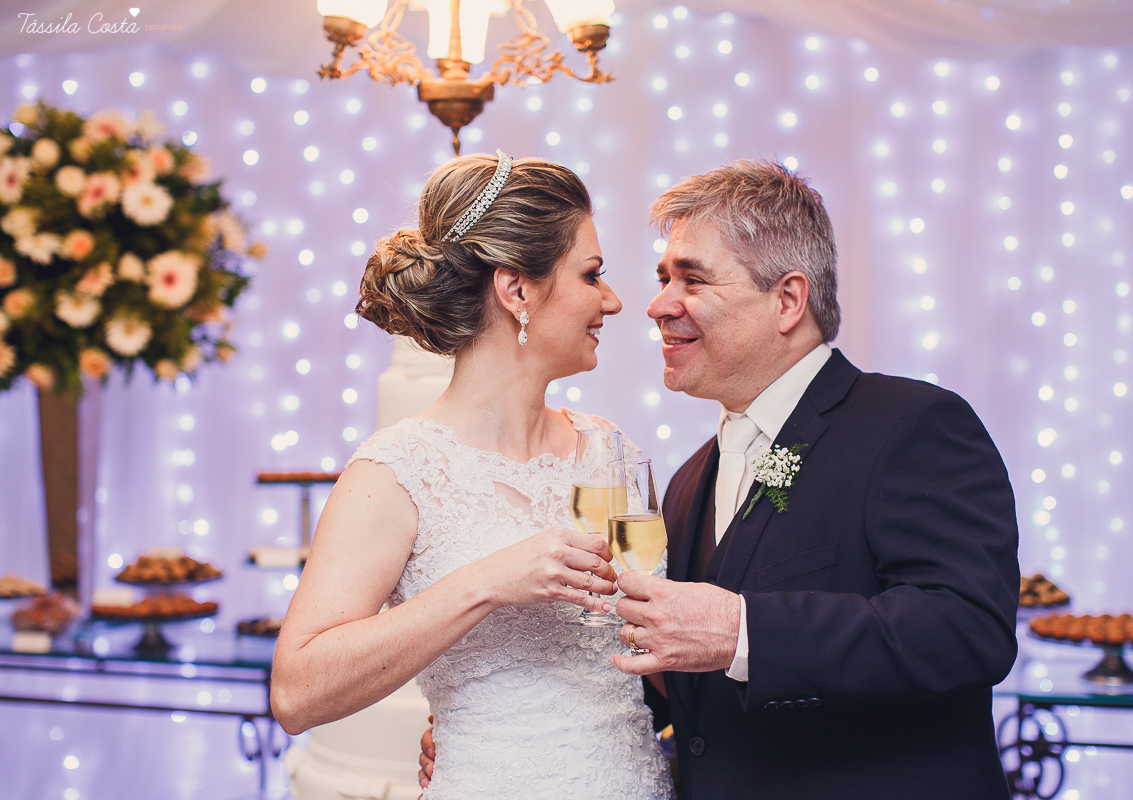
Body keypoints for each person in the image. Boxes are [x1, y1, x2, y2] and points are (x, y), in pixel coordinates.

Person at [605, 159, 1021, 799]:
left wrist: (744, 630)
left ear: (788, 300)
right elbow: (695, 700)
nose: (658, 305)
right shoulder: (688, 481)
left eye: (692, 279)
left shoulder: (911, 424)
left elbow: (967, 628)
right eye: (663, 278)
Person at [271, 151, 673, 800]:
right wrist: (487, 582)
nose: (613, 300)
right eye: (591, 274)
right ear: (517, 291)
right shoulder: (395, 471)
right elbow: (296, 694)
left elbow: (654, 653)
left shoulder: (611, 452)